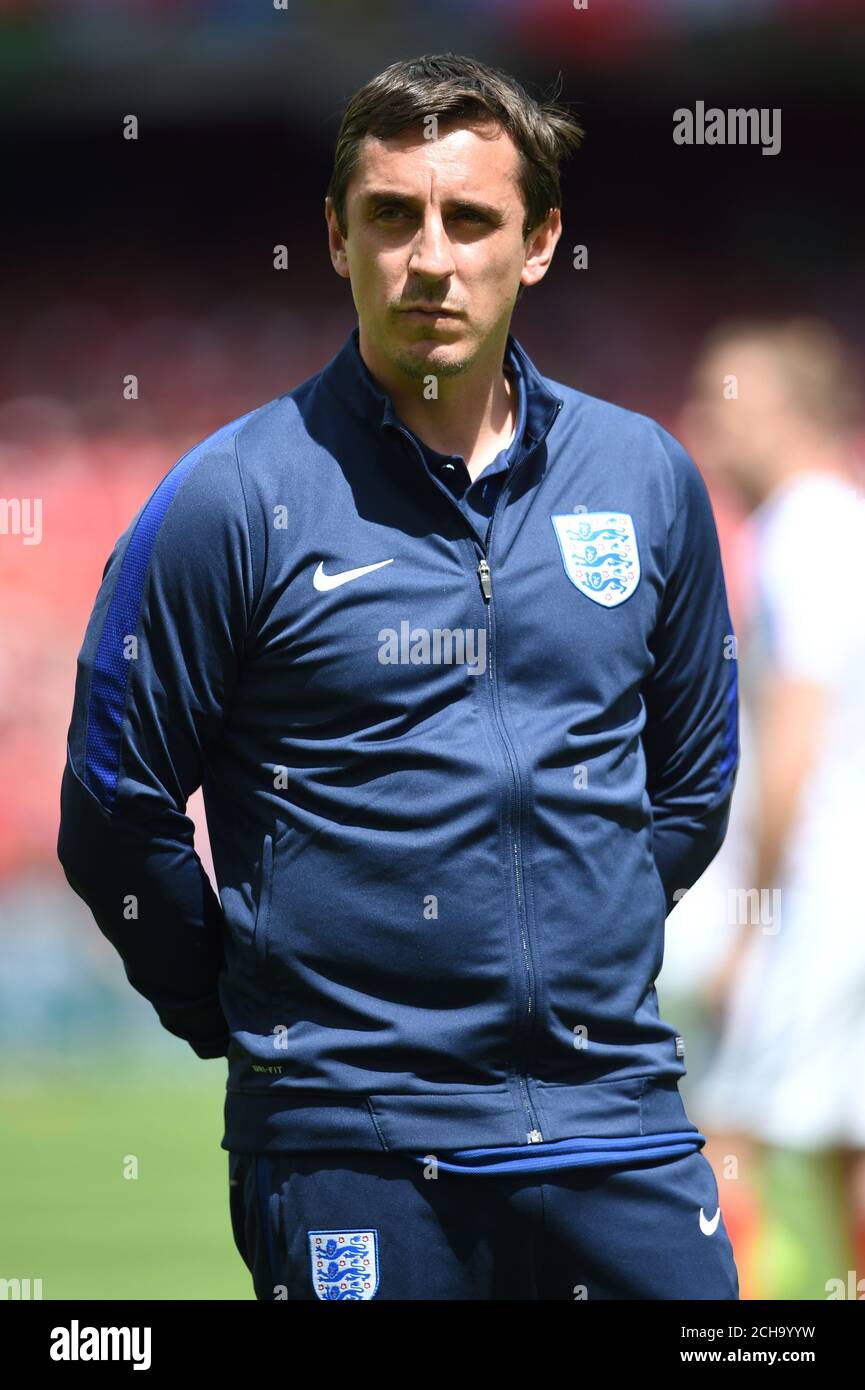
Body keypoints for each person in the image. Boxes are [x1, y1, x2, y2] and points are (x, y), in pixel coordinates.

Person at [57, 52, 740, 1301]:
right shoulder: (228, 499)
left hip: (618, 1124)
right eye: (392, 216)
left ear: (537, 243)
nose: (431, 257)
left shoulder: (645, 480)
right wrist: (238, 1013)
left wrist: (587, 942)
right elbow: (115, 810)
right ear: (334, 237)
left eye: (470, 218)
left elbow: (692, 784)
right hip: (351, 1146)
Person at [681, 317, 865, 1299]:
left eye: (722, 400)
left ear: (787, 414)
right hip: (847, 887)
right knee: (848, 1143)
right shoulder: (846, 522)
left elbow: (795, 729)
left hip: (819, 894)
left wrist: (751, 920)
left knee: (723, 1135)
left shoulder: (800, 530)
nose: (700, 422)